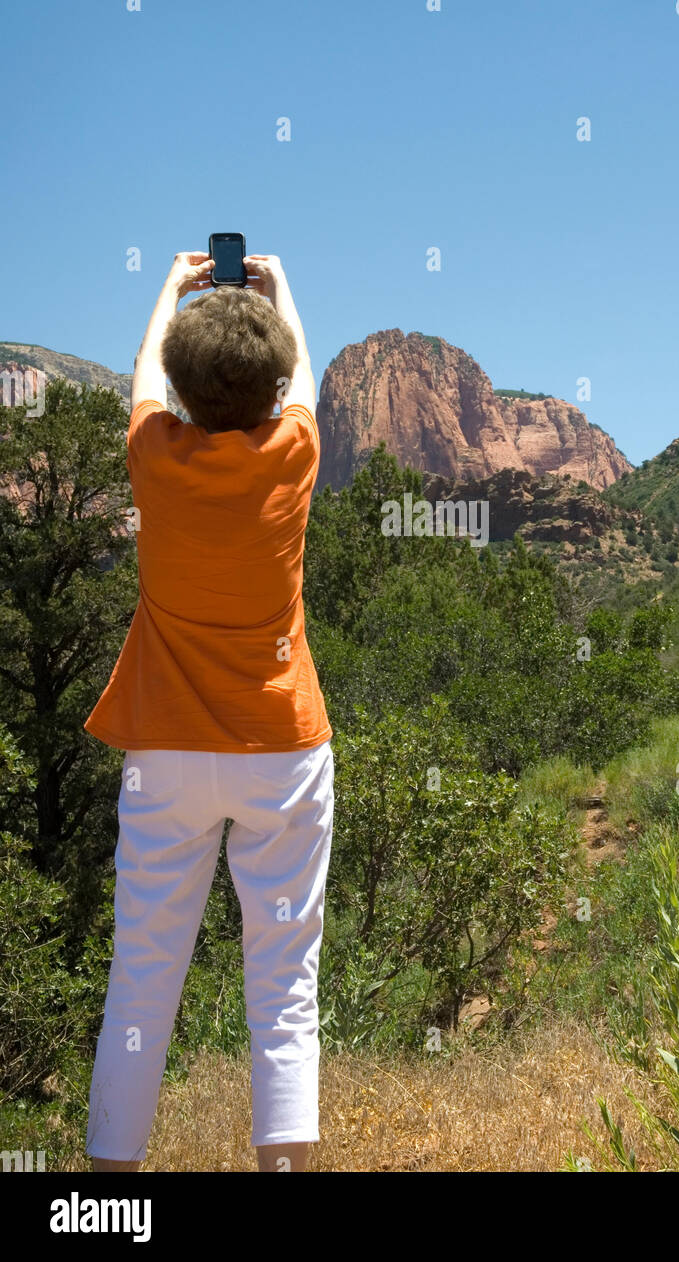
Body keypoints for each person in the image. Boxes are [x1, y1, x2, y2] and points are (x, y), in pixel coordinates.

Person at [83, 251, 333, 1173]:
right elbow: (302, 370)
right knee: (283, 987)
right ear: (273, 391)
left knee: (141, 983)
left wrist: (167, 291)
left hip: (165, 754)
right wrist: (279, 287)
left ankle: (109, 1194)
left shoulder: (155, 454)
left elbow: (144, 376)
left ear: (184, 392)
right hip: (283, 748)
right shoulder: (295, 453)